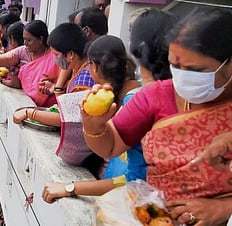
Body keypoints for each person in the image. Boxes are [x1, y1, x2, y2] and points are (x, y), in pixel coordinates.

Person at [81, 8, 232, 226]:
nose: (183, 77)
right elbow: (111, 145)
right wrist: (94, 126)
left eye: (196, 70)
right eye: (176, 66)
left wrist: (223, 208)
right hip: (155, 215)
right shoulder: (156, 95)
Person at [42, 8, 175, 201]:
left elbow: (131, 179)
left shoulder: (139, 101)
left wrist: (71, 187)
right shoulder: (167, 97)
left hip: (138, 205)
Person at [14, 23, 92, 127]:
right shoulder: (77, 69)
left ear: (71, 55)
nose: (55, 59)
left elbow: (65, 119)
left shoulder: (83, 82)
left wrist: (29, 113)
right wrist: (55, 88)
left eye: (56, 55)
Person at [0, 20, 60, 107]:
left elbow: (60, 85)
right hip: (26, 104)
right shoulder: (23, 51)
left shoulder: (55, 57)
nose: (25, 43)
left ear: (41, 39)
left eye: (29, 40)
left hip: (48, 109)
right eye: (24, 39)